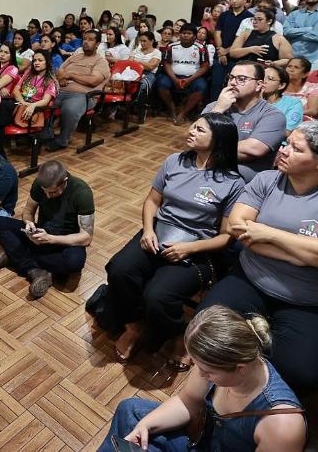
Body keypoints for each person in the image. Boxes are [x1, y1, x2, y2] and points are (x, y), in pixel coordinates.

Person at [198, 122, 318, 393]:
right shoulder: (267, 180)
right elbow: (238, 229)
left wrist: (268, 234)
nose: (284, 151)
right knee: (206, 327)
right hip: (251, 279)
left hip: (311, 301)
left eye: (296, 149)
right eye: (286, 144)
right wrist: (309, 256)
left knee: (302, 373)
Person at [89, 113, 244, 362]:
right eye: (194, 126)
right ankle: (133, 326)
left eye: (200, 130)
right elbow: (152, 201)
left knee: (158, 295)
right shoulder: (175, 161)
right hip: (159, 232)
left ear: (219, 140)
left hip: (197, 247)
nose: (191, 131)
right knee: (120, 269)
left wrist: (189, 248)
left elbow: (226, 237)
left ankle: (177, 333)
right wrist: (148, 230)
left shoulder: (232, 183)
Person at [99, 306, 305, 452]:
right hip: (200, 439)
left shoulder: (282, 426)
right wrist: (146, 426)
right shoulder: (221, 365)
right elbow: (188, 400)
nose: (200, 373)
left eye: (207, 371)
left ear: (240, 368)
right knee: (130, 411)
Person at [0, 160, 95, 299]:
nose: (48, 196)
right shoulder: (39, 184)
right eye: (45, 192)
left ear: (64, 181)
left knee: (74, 262)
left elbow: (86, 237)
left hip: (65, 242)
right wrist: (29, 224)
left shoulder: (82, 193)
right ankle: (35, 269)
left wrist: (51, 239)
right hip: (41, 233)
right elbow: (28, 211)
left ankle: (17, 256)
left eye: (53, 192)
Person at [202, 61, 287, 183]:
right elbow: (196, 136)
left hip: (244, 181)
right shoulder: (215, 107)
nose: (232, 82)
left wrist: (207, 148)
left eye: (241, 79)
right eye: (231, 77)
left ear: (259, 85)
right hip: (207, 170)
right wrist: (218, 110)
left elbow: (253, 150)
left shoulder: (273, 115)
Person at [45, 29, 110, 150]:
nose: (86, 42)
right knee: (42, 101)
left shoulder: (101, 62)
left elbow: (93, 81)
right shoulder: (75, 57)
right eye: (84, 39)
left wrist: (71, 75)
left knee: (70, 109)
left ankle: (62, 140)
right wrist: (61, 77)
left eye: (90, 40)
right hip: (60, 90)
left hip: (84, 96)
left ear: (97, 44)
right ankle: (45, 133)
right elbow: (60, 70)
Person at [158, 25, 210, 125]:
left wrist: (189, 79)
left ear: (194, 36)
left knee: (202, 86)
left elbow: (205, 66)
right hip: (173, 76)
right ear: (179, 34)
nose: (185, 35)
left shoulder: (201, 48)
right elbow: (166, 64)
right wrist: (174, 79)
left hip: (193, 77)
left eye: (189, 33)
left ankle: (183, 113)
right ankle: (172, 110)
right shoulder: (171, 46)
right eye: (183, 33)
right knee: (161, 83)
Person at [228, 9, 292, 66]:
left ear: (269, 21)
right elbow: (232, 53)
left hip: (267, 71)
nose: (255, 22)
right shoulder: (246, 33)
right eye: (254, 19)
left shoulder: (279, 39)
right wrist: (250, 49)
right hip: (245, 68)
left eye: (260, 19)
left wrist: (273, 63)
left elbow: (288, 60)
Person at [12, 51, 57, 125]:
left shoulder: (50, 81)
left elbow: (46, 101)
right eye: (35, 60)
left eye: (40, 60)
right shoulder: (28, 74)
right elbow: (16, 90)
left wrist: (33, 105)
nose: (36, 63)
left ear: (47, 62)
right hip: (20, 103)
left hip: (35, 108)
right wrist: (23, 102)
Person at [262, 64, 303, 135]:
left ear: (281, 85)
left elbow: (287, 132)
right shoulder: (250, 99)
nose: (263, 81)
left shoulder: (293, 103)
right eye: (262, 77)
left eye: (270, 79)